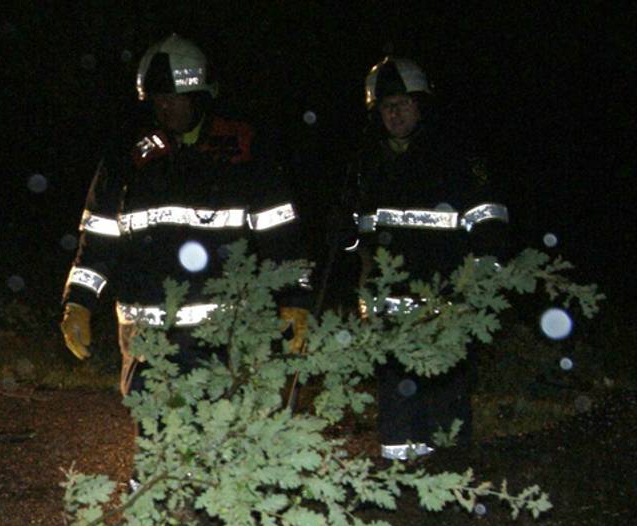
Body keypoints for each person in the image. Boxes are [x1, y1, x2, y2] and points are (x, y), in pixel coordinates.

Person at [60, 33, 308, 395]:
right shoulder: (126, 157)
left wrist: (295, 299)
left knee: (221, 436)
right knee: (156, 441)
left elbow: (279, 234)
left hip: (223, 334)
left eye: (174, 96)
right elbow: (98, 240)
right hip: (145, 335)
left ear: (199, 96)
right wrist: (78, 303)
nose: (165, 106)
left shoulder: (243, 150)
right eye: (158, 98)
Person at [354, 57, 509, 460]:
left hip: (446, 304)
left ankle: (450, 482)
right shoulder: (369, 165)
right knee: (396, 403)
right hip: (391, 310)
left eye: (403, 102)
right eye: (386, 106)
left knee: (445, 398)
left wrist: (479, 285)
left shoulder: (455, 155)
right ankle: (399, 487)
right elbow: (363, 237)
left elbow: (489, 219)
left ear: (421, 104)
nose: (395, 112)